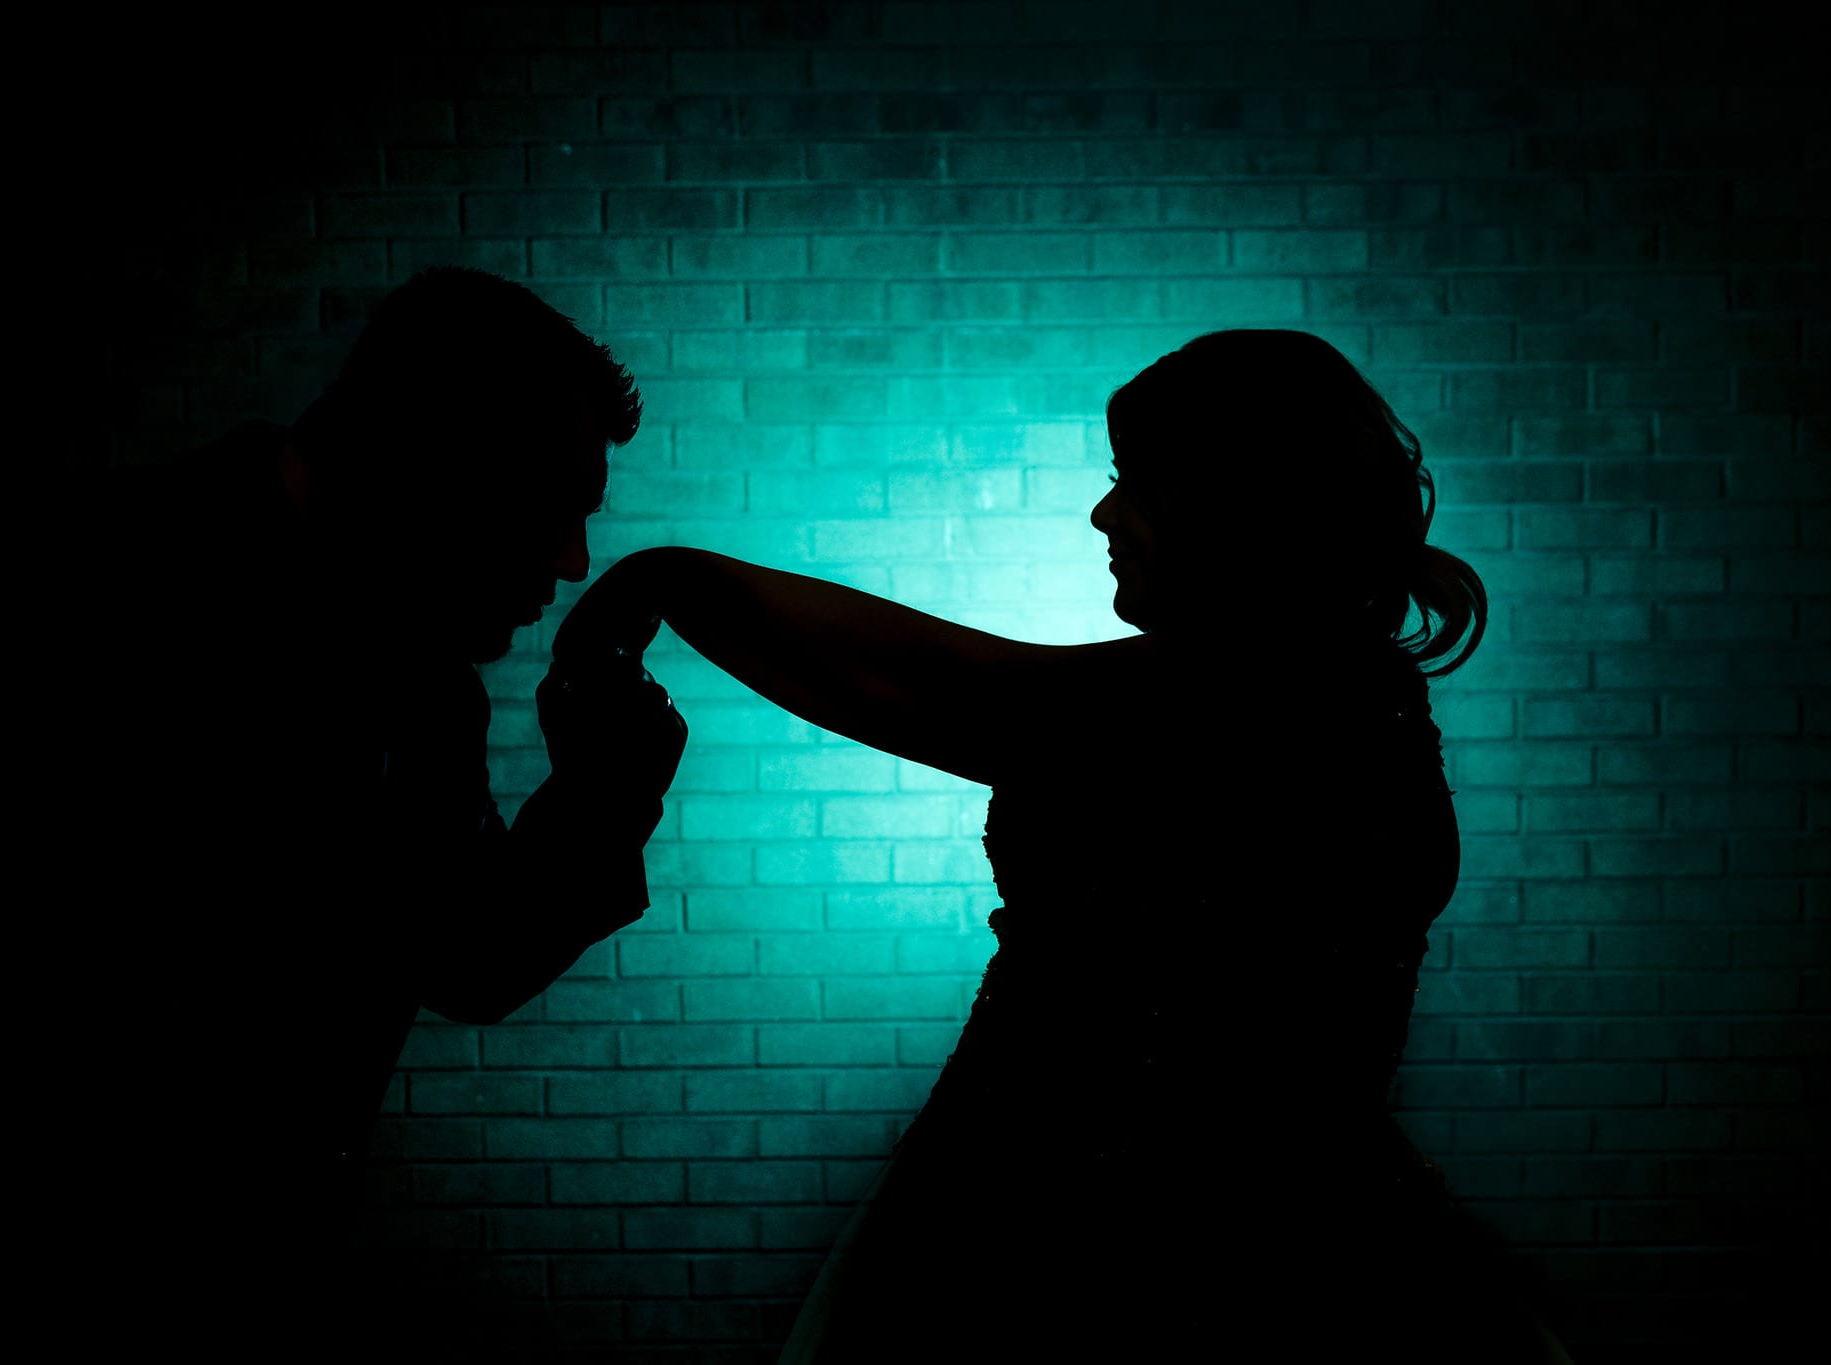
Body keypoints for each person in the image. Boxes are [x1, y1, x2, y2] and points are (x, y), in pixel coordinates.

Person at [552, 330, 1571, 1361]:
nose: (1102, 514)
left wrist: (661, 580)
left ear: (1228, 501)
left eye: (1134, 482)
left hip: (1096, 1254)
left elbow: (932, 689)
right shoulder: (1332, 697)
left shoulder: (1259, 704)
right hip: (1217, 1235)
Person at [18, 267, 686, 1355]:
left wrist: (604, 796)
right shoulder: (92, 591)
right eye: (552, 507)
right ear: (438, 462)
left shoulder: (420, 680)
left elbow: (467, 955)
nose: (570, 564)